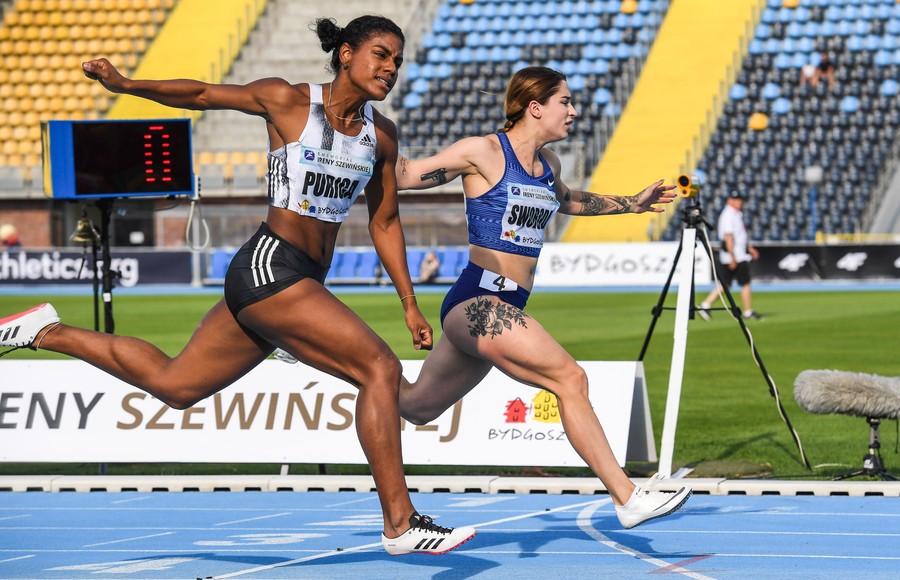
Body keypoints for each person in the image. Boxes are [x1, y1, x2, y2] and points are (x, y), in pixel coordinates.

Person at [0, 15, 475, 556]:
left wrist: (410, 305)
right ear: (346, 54)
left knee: (177, 386)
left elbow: (384, 222)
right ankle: (400, 523)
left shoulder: (381, 135)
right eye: (381, 54)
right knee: (380, 369)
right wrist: (127, 86)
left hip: (296, 280)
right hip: (270, 267)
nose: (390, 68)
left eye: (398, 60)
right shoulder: (288, 100)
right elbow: (202, 93)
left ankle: (46, 332)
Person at [395, 66, 691, 529]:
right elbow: (408, 176)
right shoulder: (483, 152)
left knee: (414, 406)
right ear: (536, 107)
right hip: (476, 302)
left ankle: (323, 352)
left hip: (507, 307)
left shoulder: (549, 166)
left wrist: (631, 204)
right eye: (565, 102)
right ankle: (627, 496)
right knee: (570, 378)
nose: (573, 112)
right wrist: (364, 136)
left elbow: (568, 200)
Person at [697, 191, 762, 321]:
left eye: (739, 199)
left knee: (725, 284)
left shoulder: (735, 214)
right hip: (735, 255)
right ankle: (748, 311)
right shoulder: (728, 215)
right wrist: (733, 257)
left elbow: (738, 235)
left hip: (737, 253)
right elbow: (728, 237)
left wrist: (749, 248)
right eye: (736, 199)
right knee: (745, 283)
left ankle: (705, 305)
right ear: (729, 200)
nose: (739, 201)